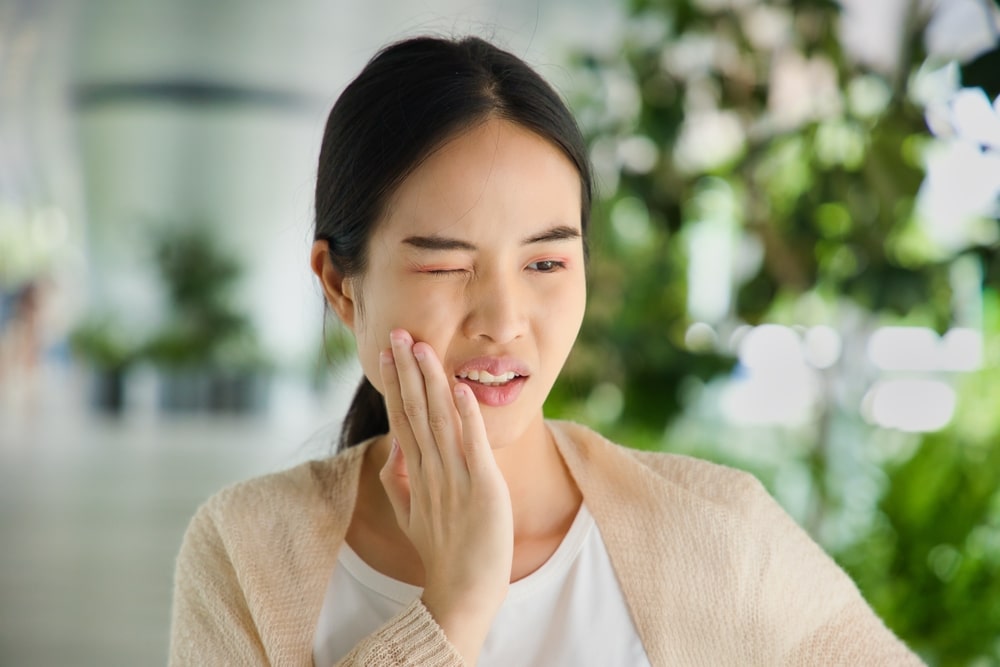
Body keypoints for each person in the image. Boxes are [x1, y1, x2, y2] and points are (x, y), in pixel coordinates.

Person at [169, 35, 923, 666]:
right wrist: (452, 609)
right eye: (444, 265)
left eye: (546, 262)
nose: (503, 320)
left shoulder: (720, 532)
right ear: (341, 285)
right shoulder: (245, 549)